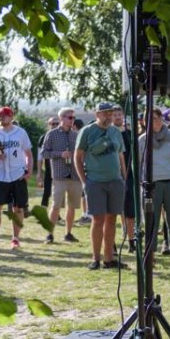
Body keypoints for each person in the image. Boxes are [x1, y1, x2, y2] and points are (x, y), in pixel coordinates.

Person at [75, 102, 127, 270]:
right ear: (97, 114)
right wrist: (84, 181)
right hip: (95, 182)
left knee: (112, 219)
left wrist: (124, 178)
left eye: (111, 113)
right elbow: (78, 157)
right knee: (98, 220)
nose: (109, 116)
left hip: (115, 181)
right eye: (105, 113)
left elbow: (120, 156)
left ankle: (109, 259)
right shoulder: (87, 131)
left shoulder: (115, 132)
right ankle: (95, 259)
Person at [138, 106, 170, 267]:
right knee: (152, 221)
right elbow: (137, 164)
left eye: (156, 118)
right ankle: (150, 255)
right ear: (144, 122)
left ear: (161, 119)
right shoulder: (142, 140)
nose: (154, 122)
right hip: (152, 186)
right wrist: (141, 181)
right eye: (149, 119)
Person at [0, 106, 33, 251]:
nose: (0, 118)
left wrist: (29, 171)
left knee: (18, 208)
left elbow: (29, 154)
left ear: (11, 117)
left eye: (4, 115)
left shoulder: (21, 133)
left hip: (17, 175)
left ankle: (15, 239)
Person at [40, 107, 81, 243]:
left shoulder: (76, 135)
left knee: (72, 207)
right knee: (56, 206)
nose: (72, 120)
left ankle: (68, 234)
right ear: (62, 118)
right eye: (70, 117)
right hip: (59, 176)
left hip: (74, 175)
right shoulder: (51, 135)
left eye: (73, 118)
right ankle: (49, 234)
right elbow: (44, 153)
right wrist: (60, 154)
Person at [114, 107, 138, 253]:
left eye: (119, 114)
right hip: (111, 176)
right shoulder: (108, 134)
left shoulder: (130, 135)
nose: (117, 117)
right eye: (114, 114)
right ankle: (112, 245)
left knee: (130, 212)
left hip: (129, 177)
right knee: (111, 213)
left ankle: (131, 242)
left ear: (123, 116)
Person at [37, 116, 58, 209]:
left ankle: (56, 215)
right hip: (49, 169)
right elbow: (39, 157)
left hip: (60, 169)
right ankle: (43, 210)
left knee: (57, 192)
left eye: (57, 123)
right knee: (47, 191)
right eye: (52, 124)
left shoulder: (63, 136)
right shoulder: (43, 138)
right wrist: (39, 173)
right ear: (48, 125)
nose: (55, 126)